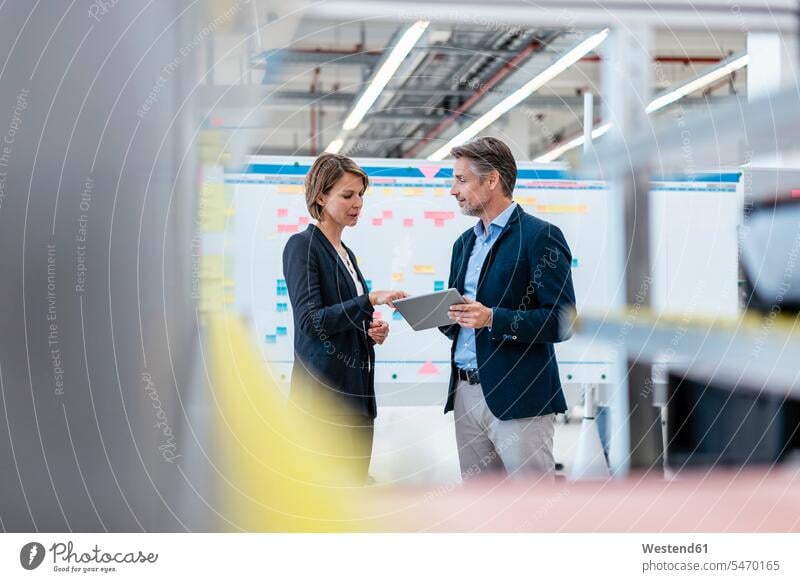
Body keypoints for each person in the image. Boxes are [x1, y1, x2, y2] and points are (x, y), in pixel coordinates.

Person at [440, 137, 576, 481]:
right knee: (481, 511)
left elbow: (562, 321)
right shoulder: (463, 244)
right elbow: (463, 316)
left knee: (530, 510)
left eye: (461, 180)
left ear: (491, 181)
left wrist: (492, 318)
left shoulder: (539, 237)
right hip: (465, 393)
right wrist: (439, 314)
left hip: (520, 396)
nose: (452, 190)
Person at [282, 153, 407, 484]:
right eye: (347, 195)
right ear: (321, 196)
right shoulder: (302, 246)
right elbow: (311, 323)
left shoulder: (346, 253)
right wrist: (368, 300)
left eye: (361, 195)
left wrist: (368, 332)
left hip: (357, 400)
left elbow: (340, 320)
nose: (358, 204)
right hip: (325, 405)